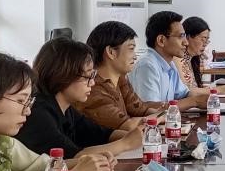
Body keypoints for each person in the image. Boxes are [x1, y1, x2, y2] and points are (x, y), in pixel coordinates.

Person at [16, 37, 144, 159]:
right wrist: (126, 143)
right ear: (63, 75)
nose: (92, 83)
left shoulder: (66, 108)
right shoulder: (38, 112)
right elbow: (73, 157)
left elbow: (102, 134)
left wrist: (137, 136)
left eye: (93, 75)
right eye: (88, 77)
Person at [78, 20, 163, 130]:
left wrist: (163, 112)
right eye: (131, 49)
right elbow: (127, 126)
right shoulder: (91, 88)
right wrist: (163, 116)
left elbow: (141, 110)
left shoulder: (121, 78)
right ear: (111, 52)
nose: (135, 56)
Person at [131, 11, 212, 110]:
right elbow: (150, 108)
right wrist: (194, 101)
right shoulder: (147, 66)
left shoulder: (170, 64)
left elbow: (184, 93)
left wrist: (211, 96)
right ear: (161, 40)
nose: (186, 43)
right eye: (181, 36)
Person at [177, 16, 211, 90]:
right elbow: (188, 92)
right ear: (188, 37)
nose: (205, 44)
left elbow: (193, 87)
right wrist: (218, 90)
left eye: (207, 40)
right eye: (203, 39)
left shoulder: (191, 59)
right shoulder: (178, 59)